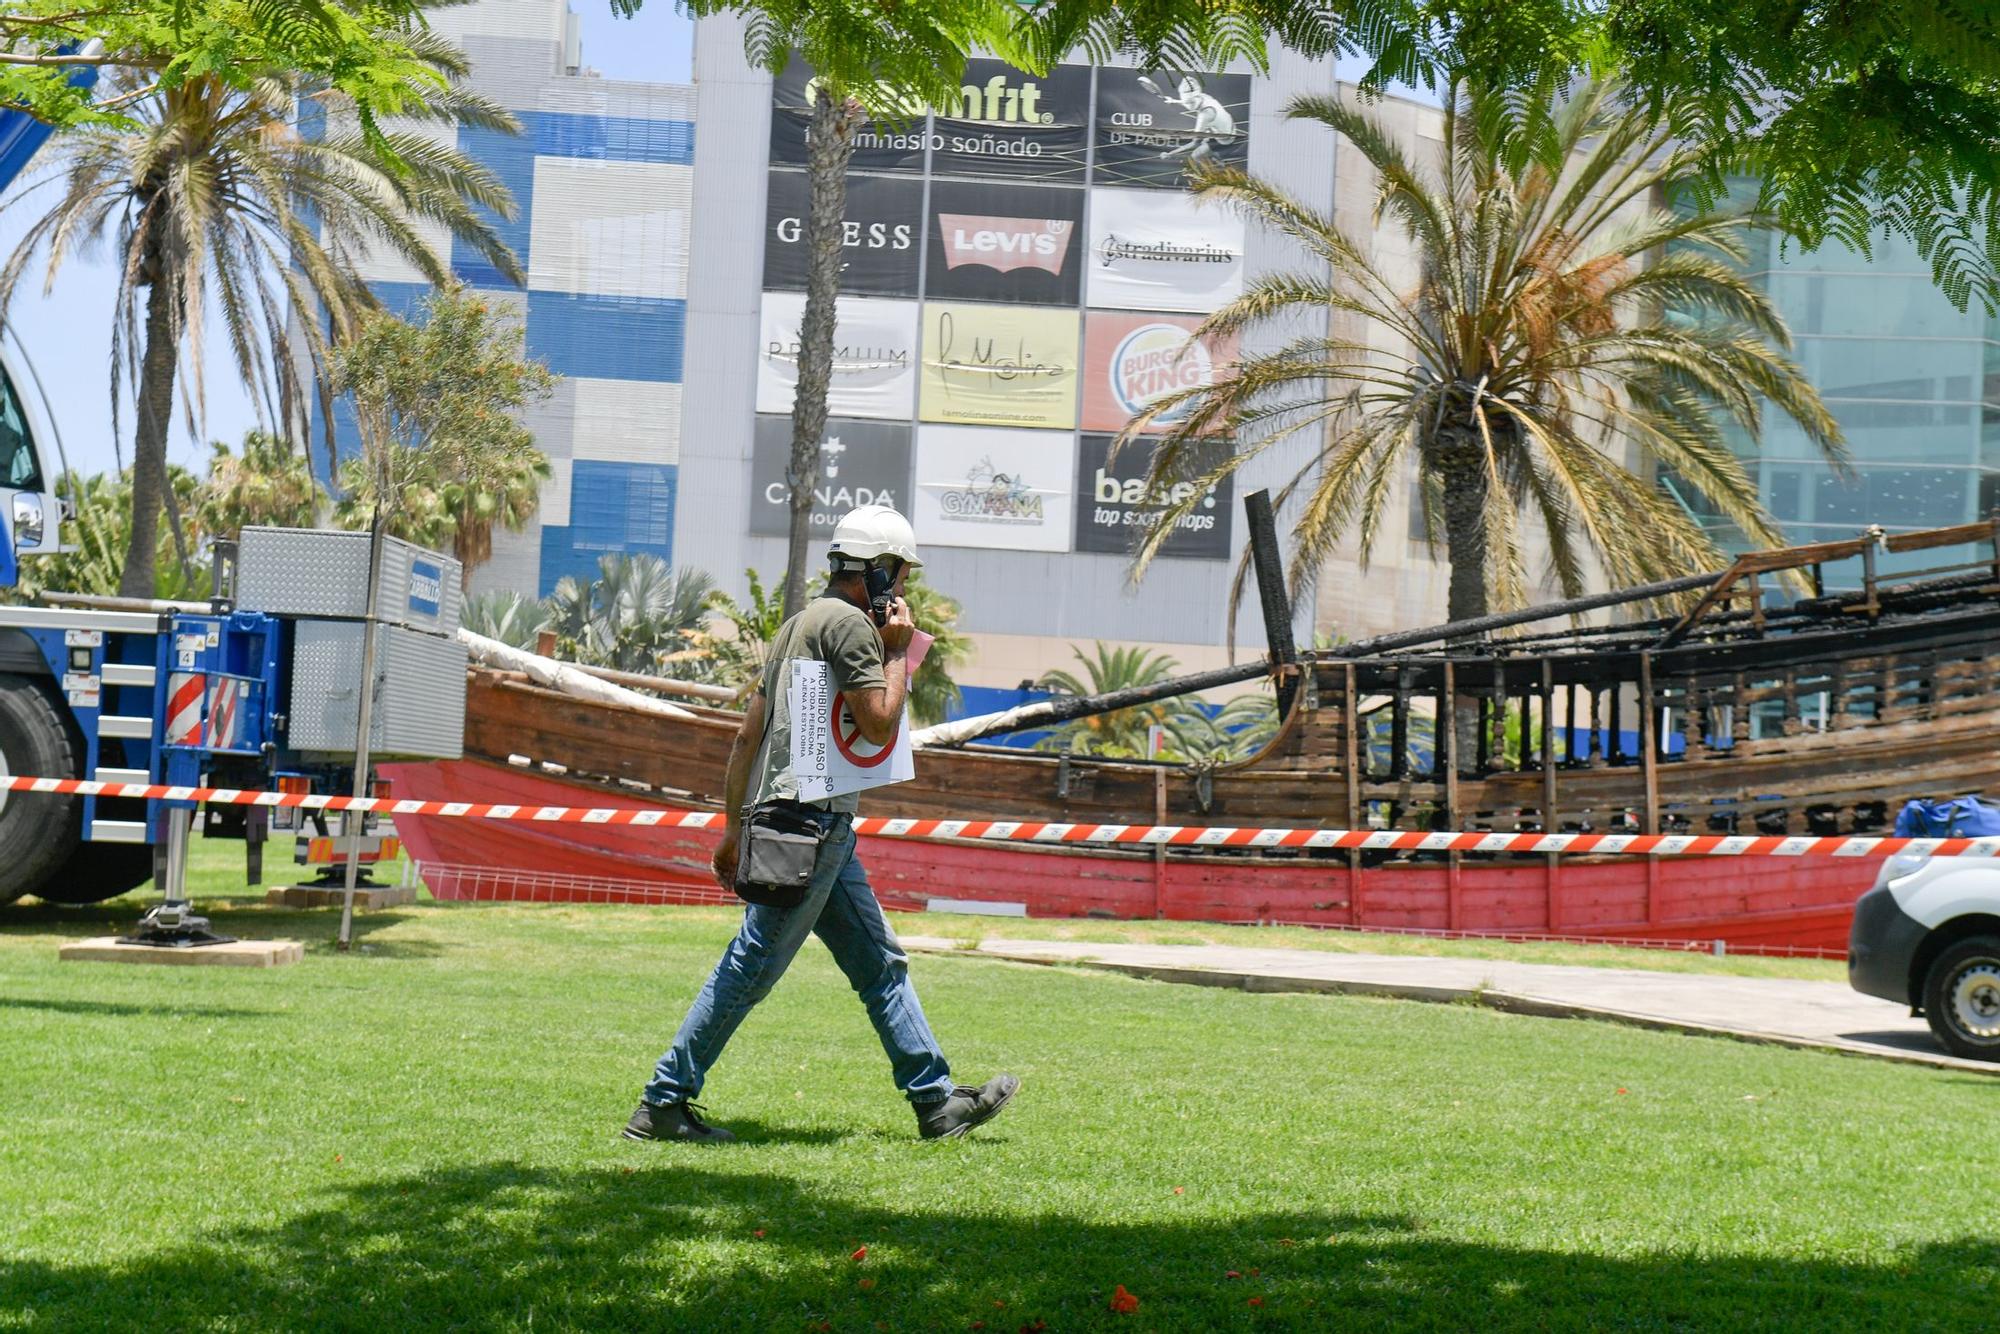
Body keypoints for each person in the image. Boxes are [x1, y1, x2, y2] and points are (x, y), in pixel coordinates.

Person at [624, 505, 1019, 1144]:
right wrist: (895, 653)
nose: (906, 589)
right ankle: (662, 1102)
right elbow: (878, 722)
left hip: (790, 826)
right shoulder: (856, 632)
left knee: (879, 963)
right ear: (878, 572)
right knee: (749, 969)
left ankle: (935, 1101)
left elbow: (745, 738)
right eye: (900, 573)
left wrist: (731, 829)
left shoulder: (796, 627)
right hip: (813, 829)